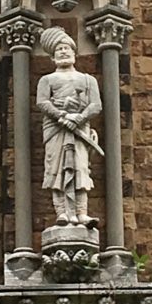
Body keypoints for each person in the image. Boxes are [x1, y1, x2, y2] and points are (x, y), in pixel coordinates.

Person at [36, 27, 102, 226]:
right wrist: (61, 115)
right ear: (52, 57)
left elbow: (95, 105)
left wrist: (78, 118)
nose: (63, 52)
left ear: (74, 53)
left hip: (79, 129)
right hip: (56, 130)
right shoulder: (46, 80)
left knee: (80, 169)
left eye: (66, 48)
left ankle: (81, 213)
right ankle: (62, 212)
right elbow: (42, 102)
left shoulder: (87, 80)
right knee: (57, 170)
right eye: (59, 50)